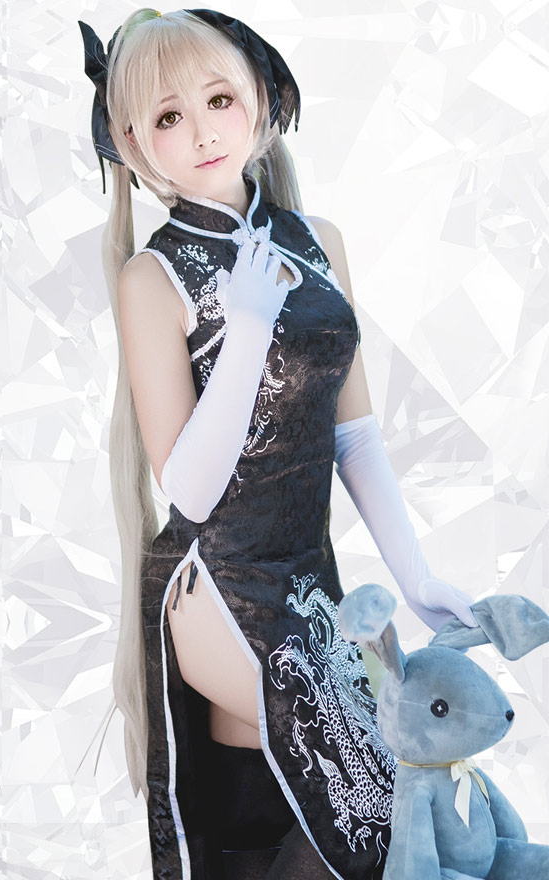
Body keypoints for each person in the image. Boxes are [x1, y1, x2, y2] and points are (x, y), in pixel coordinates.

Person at [78, 9, 478, 880]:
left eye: (218, 100)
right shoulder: (152, 277)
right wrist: (249, 328)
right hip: (216, 587)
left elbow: (356, 437)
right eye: (169, 116)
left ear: (262, 100)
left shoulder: (320, 243)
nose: (202, 132)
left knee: (406, 778)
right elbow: (189, 490)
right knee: (362, 771)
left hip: (308, 577)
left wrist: (416, 579)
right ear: (133, 143)